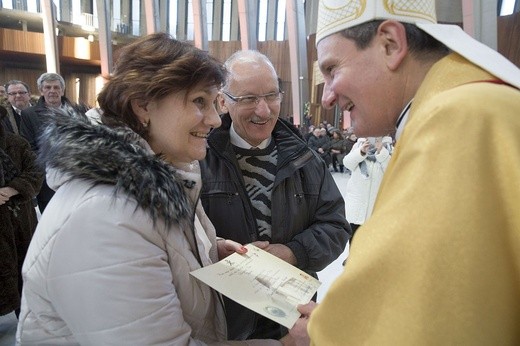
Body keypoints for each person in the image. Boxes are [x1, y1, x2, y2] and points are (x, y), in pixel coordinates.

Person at [16, 33, 284, 345]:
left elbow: (153, 241)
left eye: (214, 103)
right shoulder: (103, 217)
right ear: (143, 106)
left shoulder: (160, 172)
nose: (214, 119)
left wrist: (209, 249)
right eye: (200, 101)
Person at [288, 0, 520, 344]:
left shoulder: (459, 119)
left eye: (332, 69)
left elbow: (438, 314)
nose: (327, 98)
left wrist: (323, 333)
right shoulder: (456, 108)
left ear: (390, 44)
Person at [200, 50, 351, 341]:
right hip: (225, 319)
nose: (264, 110)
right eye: (248, 99)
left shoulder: (305, 160)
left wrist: (292, 252)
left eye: (271, 95)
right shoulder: (200, 159)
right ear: (222, 101)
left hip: (291, 315)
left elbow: (335, 227)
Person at [0, 106, 43, 318]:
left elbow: (36, 172)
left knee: (24, 274)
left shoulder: (17, 144)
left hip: (20, 222)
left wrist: (11, 189)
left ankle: (27, 322)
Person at [19, 73, 74, 213]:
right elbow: (29, 147)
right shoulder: (29, 114)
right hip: (46, 180)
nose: (52, 91)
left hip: (74, 176)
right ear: (41, 90)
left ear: (62, 90)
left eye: (56, 87)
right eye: (47, 87)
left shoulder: (77, 111)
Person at [343, 137, 391, 236]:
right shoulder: (359, 145)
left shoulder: (389, 148)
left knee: (372, 244)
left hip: (377, 207)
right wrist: (361, 152)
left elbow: (391, 172)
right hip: (357, 206)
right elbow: (347, 164)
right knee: (354, 243)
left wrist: (381, 152)